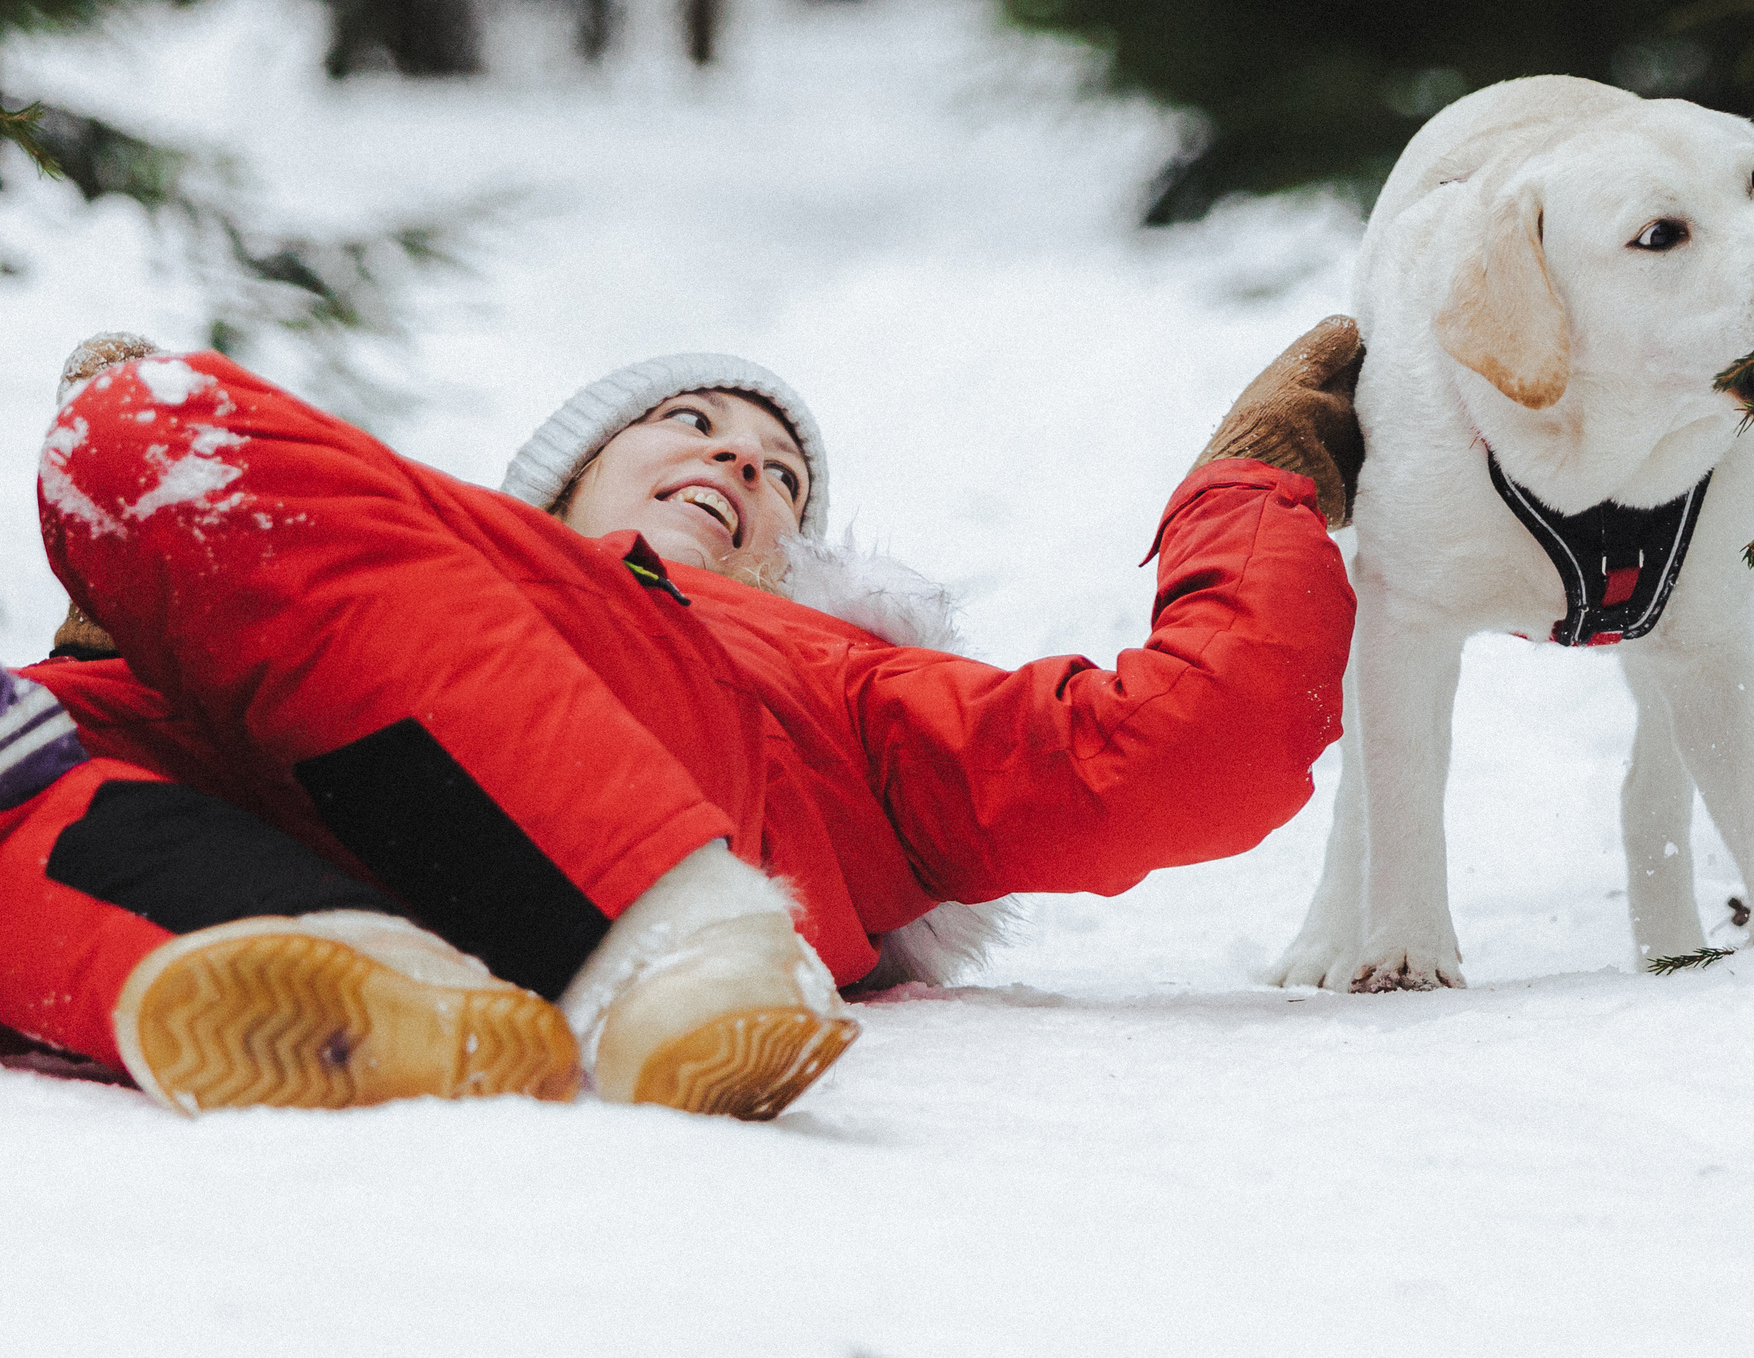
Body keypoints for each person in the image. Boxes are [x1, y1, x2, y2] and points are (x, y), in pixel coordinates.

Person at [0, 320, 1362, 1118]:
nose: (736, 460)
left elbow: (1196, 745)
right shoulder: (432, 562)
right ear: (552, 491)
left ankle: (679, 933)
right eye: (691, 424)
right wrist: (129, 657)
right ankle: (336, 973)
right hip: (334, 805)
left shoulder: (849, 680)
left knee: (141, 424)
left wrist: (1255, 480)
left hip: (694, 807)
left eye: (776, 477)